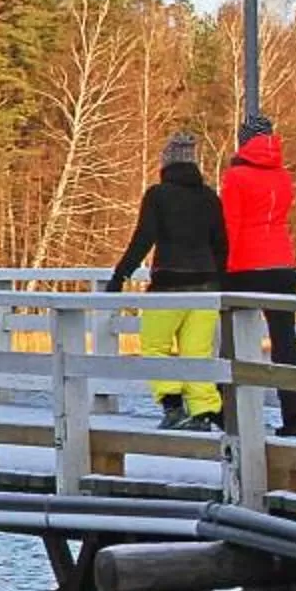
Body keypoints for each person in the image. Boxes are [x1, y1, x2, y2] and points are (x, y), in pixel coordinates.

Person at [105, 133, 228, 429]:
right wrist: (221, 281)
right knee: (197, 353)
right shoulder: (209, 196)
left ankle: (173, 407)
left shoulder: (158, 195)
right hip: (206, 286)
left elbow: (144, 238)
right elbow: (221, 243)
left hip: (169, 284)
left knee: (155, 347)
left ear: (166, 165)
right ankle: (202, 413)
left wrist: (120, 274)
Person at [221, 112, 296, 437]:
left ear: (243, 141)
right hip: (283, 265)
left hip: (246, 265)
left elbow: (231, 224)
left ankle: (226, 409)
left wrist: (223, 265)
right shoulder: (283, 177)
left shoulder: (236, 177)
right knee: (285, 341)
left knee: (231, 339)